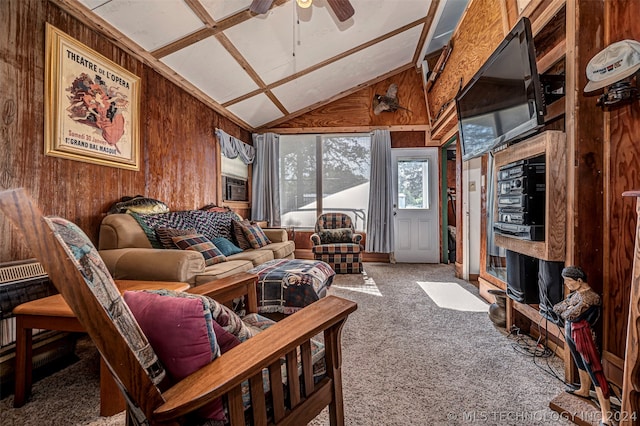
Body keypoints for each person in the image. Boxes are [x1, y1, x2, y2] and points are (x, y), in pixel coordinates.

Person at [553, 266, 612, 425]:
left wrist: (569, 309)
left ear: (579, 280)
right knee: (579, 362)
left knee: (594, 370)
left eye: (569, 281)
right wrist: (569, 309)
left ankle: (607, 416)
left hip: (583, 335)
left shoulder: (590, 297)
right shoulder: (575, 294)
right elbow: (557, 307)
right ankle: (584, 390)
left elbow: (570, 314)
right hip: (571, 332)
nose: (566, 284)